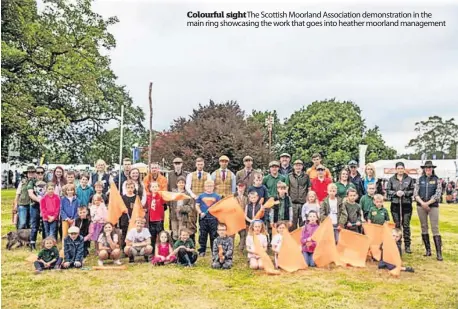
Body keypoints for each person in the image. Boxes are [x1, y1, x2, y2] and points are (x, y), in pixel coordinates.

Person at [413, 160, 443, 261]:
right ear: (424, 169)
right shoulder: (419, 179)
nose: (428, 169)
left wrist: (428, 203)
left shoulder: (437, 180)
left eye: (430, 168)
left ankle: (439, 253)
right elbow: (415, 193)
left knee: (435, 227)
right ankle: (428, 250)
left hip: (433, 206)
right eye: (426, 168)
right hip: (420, 205)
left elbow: (438, 194)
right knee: (424, 226)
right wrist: (422, 203)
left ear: (432, 169)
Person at [386, 161, 414, 254]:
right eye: (398, 168)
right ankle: (397, 244)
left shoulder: (409, 179)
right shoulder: (391, 179)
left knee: (406, 225)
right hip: (395, 205)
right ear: (396, 169)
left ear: (404, 169)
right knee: (397, 225)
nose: (400, 170)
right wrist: (395, 193)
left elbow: (412, 191)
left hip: (406, 205)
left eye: (402, 168)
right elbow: (388, 191)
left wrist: (405, 193)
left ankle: (407, 245)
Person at [195, 180, 221, 257]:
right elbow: (197, 205)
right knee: (202, 234)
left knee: (214, 235)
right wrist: (200, 212)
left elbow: (219, 207)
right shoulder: (201, 196)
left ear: (213, 187)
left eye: (211, 186)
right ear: (205, 187)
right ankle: (202, 250)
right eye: (207, 186)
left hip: (213, 219)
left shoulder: (217, 196)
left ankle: (214, 250)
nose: (209, 187)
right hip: (203, 218)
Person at [170, 176, 197, 243]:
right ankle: (175, 248)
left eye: (183, 183)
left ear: (185, 184)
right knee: (175, 232)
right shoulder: (173, 193)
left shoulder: (187, 194)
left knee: (181, 232)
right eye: (179, 182)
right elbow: (170, 203)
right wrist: (173, 209)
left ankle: (181, 247)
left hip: (183, 217)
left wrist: (181, 208)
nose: (181, 184)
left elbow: (190, 207)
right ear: (177, 183)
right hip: (174, 216)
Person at [288, 159, 311, 228]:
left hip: (303, 202)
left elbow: (309, 188)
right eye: (296, 165)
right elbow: (287, 188)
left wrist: (308, 200)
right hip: (293, 202)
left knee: (303, 222)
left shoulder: (306, 176)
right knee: (293, 222)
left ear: (302, 167)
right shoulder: (289, 176)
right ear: (293, 167)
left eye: (299, 165)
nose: (298, 167)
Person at [28, 166, 46, 248]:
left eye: (41, 172)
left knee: (45, 225)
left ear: (44, 173)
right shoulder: (32, 182)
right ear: (35, 173)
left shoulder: (47, 182)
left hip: (46, 207)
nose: (40, 174)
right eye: (38, 172)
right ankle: (32, 243)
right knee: (34, 225)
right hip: (35, 206)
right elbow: (30, 194)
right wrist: (39, 200)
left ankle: (45, 244)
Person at [146, 182, 166, 254]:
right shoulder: (148, 197)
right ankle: (153, 252)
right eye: (153, 187)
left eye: (156, 186)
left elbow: (165, 204)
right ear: (150, 188)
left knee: (161, 236)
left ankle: (163, 250)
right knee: (152, 237)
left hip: (159, 220)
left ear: (158, 188)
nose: (154, 188)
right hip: (151, 220)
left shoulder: (161, 196)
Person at [120, 180, 138, 252]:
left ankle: (133, 248)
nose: (130, 189)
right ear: (126, 188)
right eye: (128, 187)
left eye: (131, 187)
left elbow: (138, 208)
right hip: (124, 218)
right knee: (125, 233)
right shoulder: (123, 197)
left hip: (133, 219)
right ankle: (124, 249)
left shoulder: (136, 197)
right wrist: (123, 210)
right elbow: (120, 207)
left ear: (134, 188)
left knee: (133, 233)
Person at [234, 181, 248, 251]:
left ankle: (241, 248)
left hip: (243, 218)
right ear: (237, 187)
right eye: (239, 187)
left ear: (244, 187)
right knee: (232, 234)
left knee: (243, 233)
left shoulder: (247, 197)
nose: (241, 188)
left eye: (242, 187)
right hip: (234, 218)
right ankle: (230, 248)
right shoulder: (233, 196)